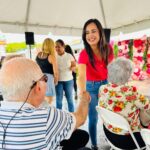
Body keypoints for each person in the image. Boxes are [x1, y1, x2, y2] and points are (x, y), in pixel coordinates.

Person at [0, 57, 91, 150]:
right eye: (45, 78)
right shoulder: (45, 117)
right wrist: (84, 99)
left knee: (81, 135)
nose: (46, 81)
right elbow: (81, 118)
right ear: (38, 87)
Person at [98, 57, 150, 149]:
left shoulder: (103, 88)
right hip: (129, 140)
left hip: (109, 133)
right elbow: (147, 105)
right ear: (127, 76)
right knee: (146, 111)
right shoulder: (131, 92)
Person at [78, 18, 113, 150]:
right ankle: (93, 144)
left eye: (93, 31)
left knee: (108, 116)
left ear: (100, 32)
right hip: (91, 87)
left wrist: (113, 86)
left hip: (106, 84)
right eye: (87, 32)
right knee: (93, 118)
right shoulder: (83, 53)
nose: (90, 35)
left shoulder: (108, 48)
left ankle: (111, 139)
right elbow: (81, 76)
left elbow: (111, 69)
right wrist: (83, 92)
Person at [55, 39, 76, 112]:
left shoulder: (69, 55)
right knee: (59, 100)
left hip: (68, 81)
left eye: (59, 47)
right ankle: (58, 115)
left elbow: (74, 65)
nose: (57, 48)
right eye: (56, 47)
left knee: (70, 99)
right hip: (58, 81)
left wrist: (73, 67)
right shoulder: (54, 57)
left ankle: (72, 115)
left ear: (63, 46)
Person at [36, 38, 58, 105]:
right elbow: (56, 72)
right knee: (49, 101)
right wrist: (56, 81)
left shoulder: (38, 55)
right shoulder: (51, 57)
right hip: (48, 79)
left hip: (39, 78)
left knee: (41, 101)